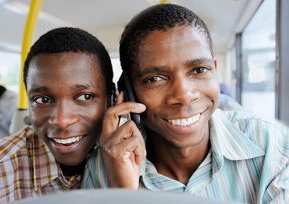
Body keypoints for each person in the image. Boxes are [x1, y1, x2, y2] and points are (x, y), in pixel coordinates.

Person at [83, 4, 289, 203]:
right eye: (154, 78)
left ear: (214, 71)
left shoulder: (272, 145)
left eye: (199, 70)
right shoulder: (104, 167)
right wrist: (122, 196)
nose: (184, 95)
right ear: (128, 92)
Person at [0, 27, 114, 203]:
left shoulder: (140, 161)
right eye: (42, 100)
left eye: (85, 97)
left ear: (112, 99)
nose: (61, 121)